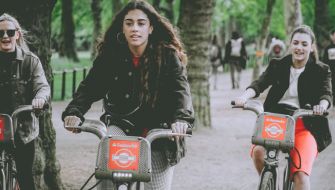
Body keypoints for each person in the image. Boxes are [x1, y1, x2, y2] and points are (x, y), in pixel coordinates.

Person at [61, 1, 194, 189]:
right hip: (122, 126)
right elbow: (90, 87)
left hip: (160, 133)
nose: (135, 28)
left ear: (151, 28)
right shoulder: (111, 55)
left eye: (141, 23)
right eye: (129, 23)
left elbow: (181, 90)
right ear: (122, 27)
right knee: (107, 167)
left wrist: (181, 119)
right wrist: (74, 111)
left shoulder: (167, 56)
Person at [233, 25, 332, 190]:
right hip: (275, 121)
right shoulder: (278, 65)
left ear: (311, 47)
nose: (299, 47)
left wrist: (321, 107)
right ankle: (268, 182)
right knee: (258, 152)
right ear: (290, 44)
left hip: (305, 124)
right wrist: (243, 97)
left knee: (301, 175)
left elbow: (326, 94)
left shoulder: (321, 70)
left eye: (304, 44)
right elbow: (260, 83)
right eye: (296, 43)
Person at [0, 13, 50, 190]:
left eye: (10, 32)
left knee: (25, 176)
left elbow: (42, 86)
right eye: (1, 33)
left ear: (17, 34)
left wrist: (39, 98)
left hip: (22, 128)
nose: (5, 36)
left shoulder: (30, 61)